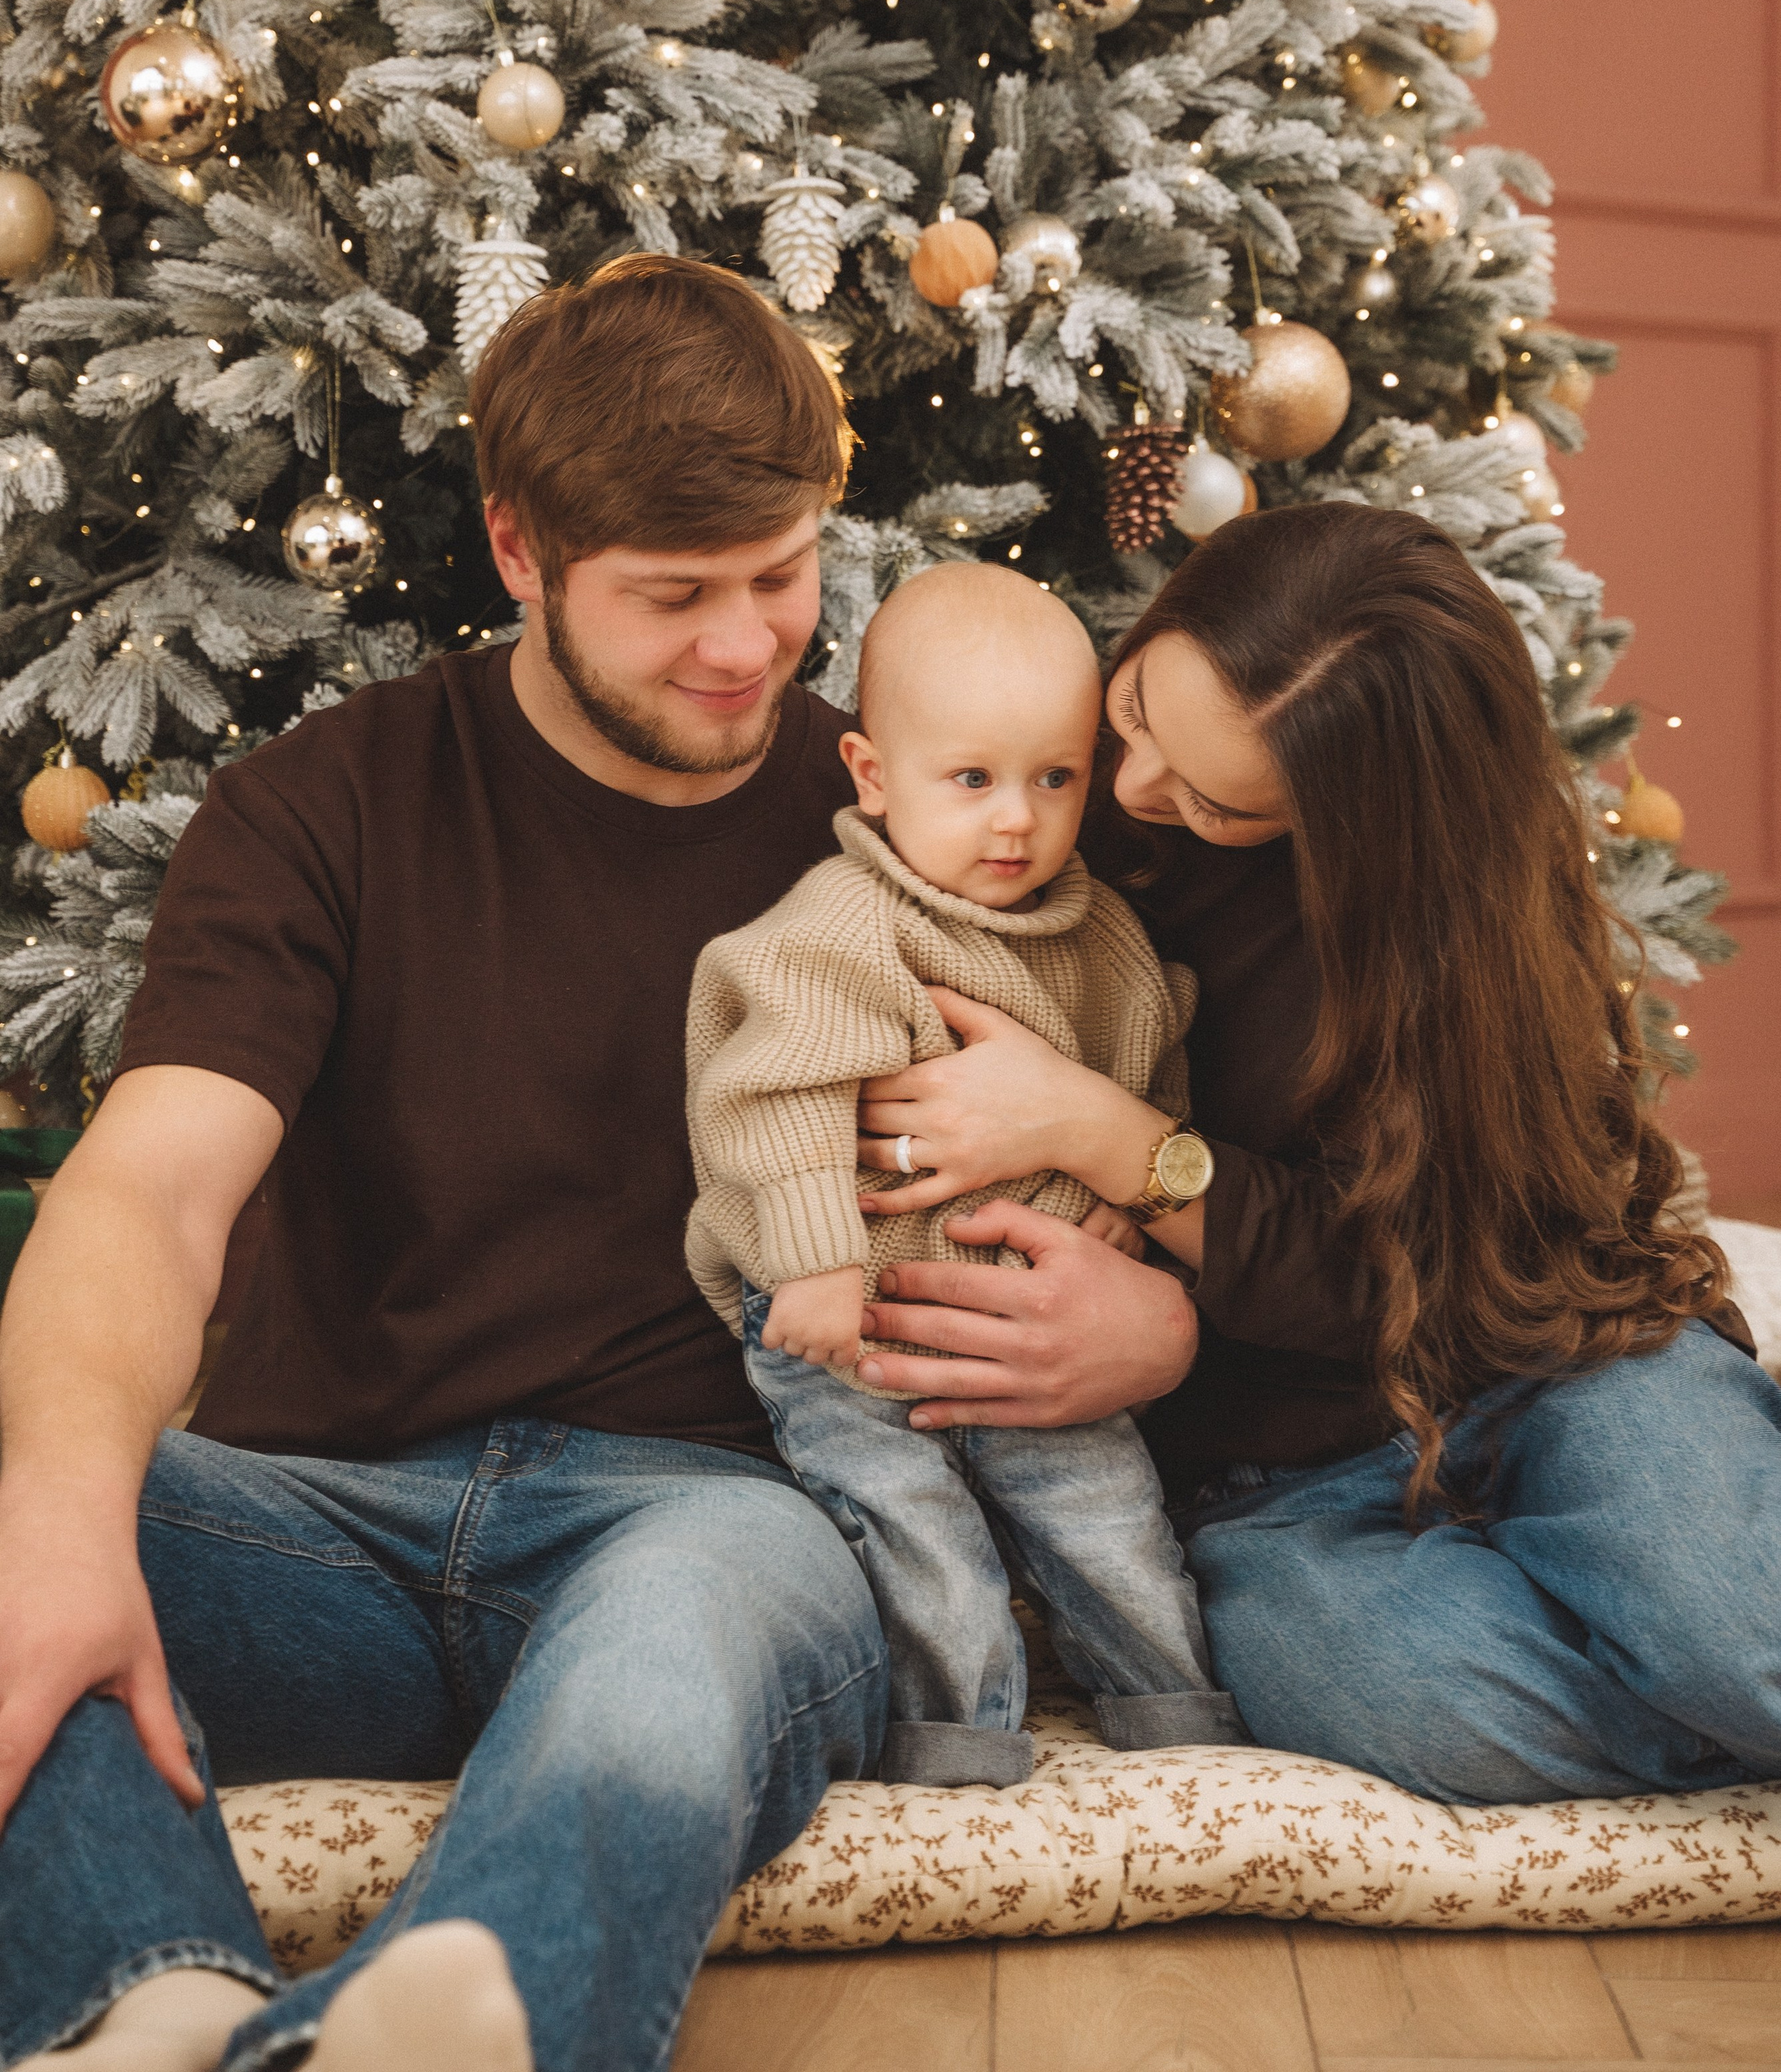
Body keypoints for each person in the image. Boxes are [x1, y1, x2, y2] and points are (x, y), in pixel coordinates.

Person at [0, 257, 889, 2072]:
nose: (744, 644)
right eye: (672, 596)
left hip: (711, 1514)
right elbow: (154, 1187)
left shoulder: (903, 822)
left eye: (781, 579)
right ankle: (156, 2008)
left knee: (678, 1643)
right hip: (328, 1526)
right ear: (518, 550)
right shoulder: (319, 808)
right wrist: (69, 1516)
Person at [849, 500, 1781, 1806]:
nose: (1126, 796)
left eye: (1220, 803)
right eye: (1135, 718)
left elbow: (1434, 1274)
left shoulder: (1462, 921)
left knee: (1742, 1639)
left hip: (1550, 1360)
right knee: (1416, 1698)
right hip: (1271, 1472)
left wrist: (1107, 1136)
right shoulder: (1032, 778)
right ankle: (1683, 1691)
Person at [684, 562, 1240, 1789]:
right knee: (910, 1522)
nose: (1016, 822)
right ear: (876, 778)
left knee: (1106, 1516)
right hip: (855, 1314)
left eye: (1054, 779)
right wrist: (815, 1263)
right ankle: (956, 1742)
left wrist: (1118, 1220)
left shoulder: (1104, 939)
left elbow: (1149, 1093)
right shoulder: (837, 930)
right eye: (973, 780)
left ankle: (1178, 1721)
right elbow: (771, 1100)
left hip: (1039, 1321)